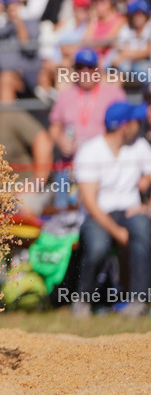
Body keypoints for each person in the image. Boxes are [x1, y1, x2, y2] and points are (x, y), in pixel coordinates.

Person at [72, 102, 151, 319]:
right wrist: (117, 233)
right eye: (135, 121)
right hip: (98, 215)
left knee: (143, 229)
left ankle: (138, 301)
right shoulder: (90, 151)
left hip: (129, 211)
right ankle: (84, 301)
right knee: (98, 246)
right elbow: (90, 203)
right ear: (124, 127)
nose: (140, 125)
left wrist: (147, 205)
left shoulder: (139, 146)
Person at [0, 88, 53, 217]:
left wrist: (36, 182)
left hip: (30, 186)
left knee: (25, 209)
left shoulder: (11, 117)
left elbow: (43, 141)